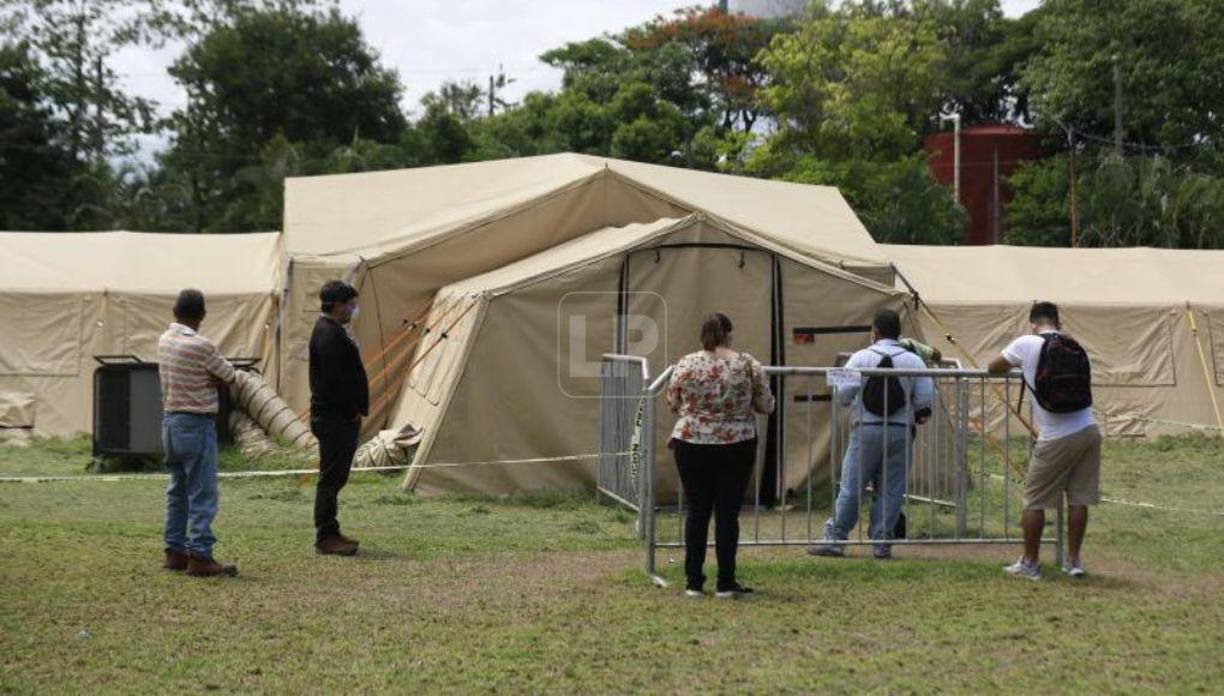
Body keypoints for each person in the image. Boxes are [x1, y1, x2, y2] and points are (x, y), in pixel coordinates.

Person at [809, 309, 934, 560]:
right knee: (891, 488)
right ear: (899, 333)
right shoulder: (914, 360)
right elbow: (924, 399)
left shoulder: (860, 358)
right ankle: (882, 543)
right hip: (900, 431)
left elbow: (843, 395)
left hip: (866, 428)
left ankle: (835, 539)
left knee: (852, 485)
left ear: (874, 333)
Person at [666, 313, 774, 599]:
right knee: (728, 512)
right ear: (729, 333)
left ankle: (693, 582)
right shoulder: (748, 364)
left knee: (697, 510)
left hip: (691, 441)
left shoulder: (686, 363)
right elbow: (766, 404)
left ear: (703, 335)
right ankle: (726, 582)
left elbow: (672, 401)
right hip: (736, 443)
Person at [988, 301, 1099, 580]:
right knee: (1078, 498)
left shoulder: (1027, 343)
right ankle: (1072, 561)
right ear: (1058, 322)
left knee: (1034, 500)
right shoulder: (1072, 344)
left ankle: (1030, 562)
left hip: (1056, 435)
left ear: (1034, 323)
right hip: (1088, 428)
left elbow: (993, 367)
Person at [157, 289, 238, 577]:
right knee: (203, 493)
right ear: (202, 315)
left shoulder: (164, 340)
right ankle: (200, 555)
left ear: (174, 310)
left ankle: (175, 551)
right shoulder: (201, 346)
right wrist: (211, 378)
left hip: (170, 422)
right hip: (197, 423)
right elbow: (229, 376)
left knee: (177, 490)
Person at [310, 280, 369, 556]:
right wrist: (351, 411)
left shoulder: (334, 331)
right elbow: (335, 383)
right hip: (335, 417)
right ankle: (326, 535)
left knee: (336, 477)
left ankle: (331, 529)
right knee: (331, 479)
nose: (352, 309)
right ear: (336, 305)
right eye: (349, 304)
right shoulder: (328, 335)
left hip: (338, 416)